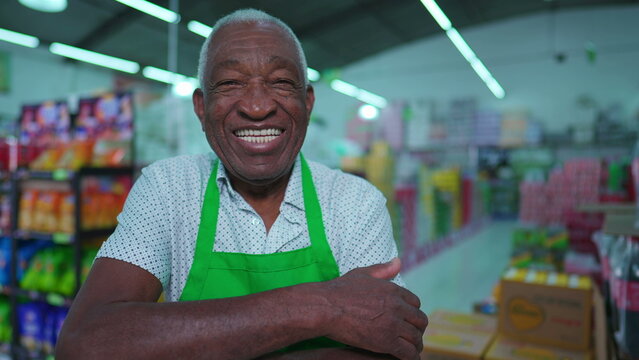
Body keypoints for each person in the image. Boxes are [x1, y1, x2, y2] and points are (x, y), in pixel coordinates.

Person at [55, 8, 427, 360]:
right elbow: (86, 343)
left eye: (281, 82)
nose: (257, 106)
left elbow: (392, 340)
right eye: (231, 83)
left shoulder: (354, 202)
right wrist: (321, 306)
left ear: (307, 101)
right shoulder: (169, 189)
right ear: (201, 107)